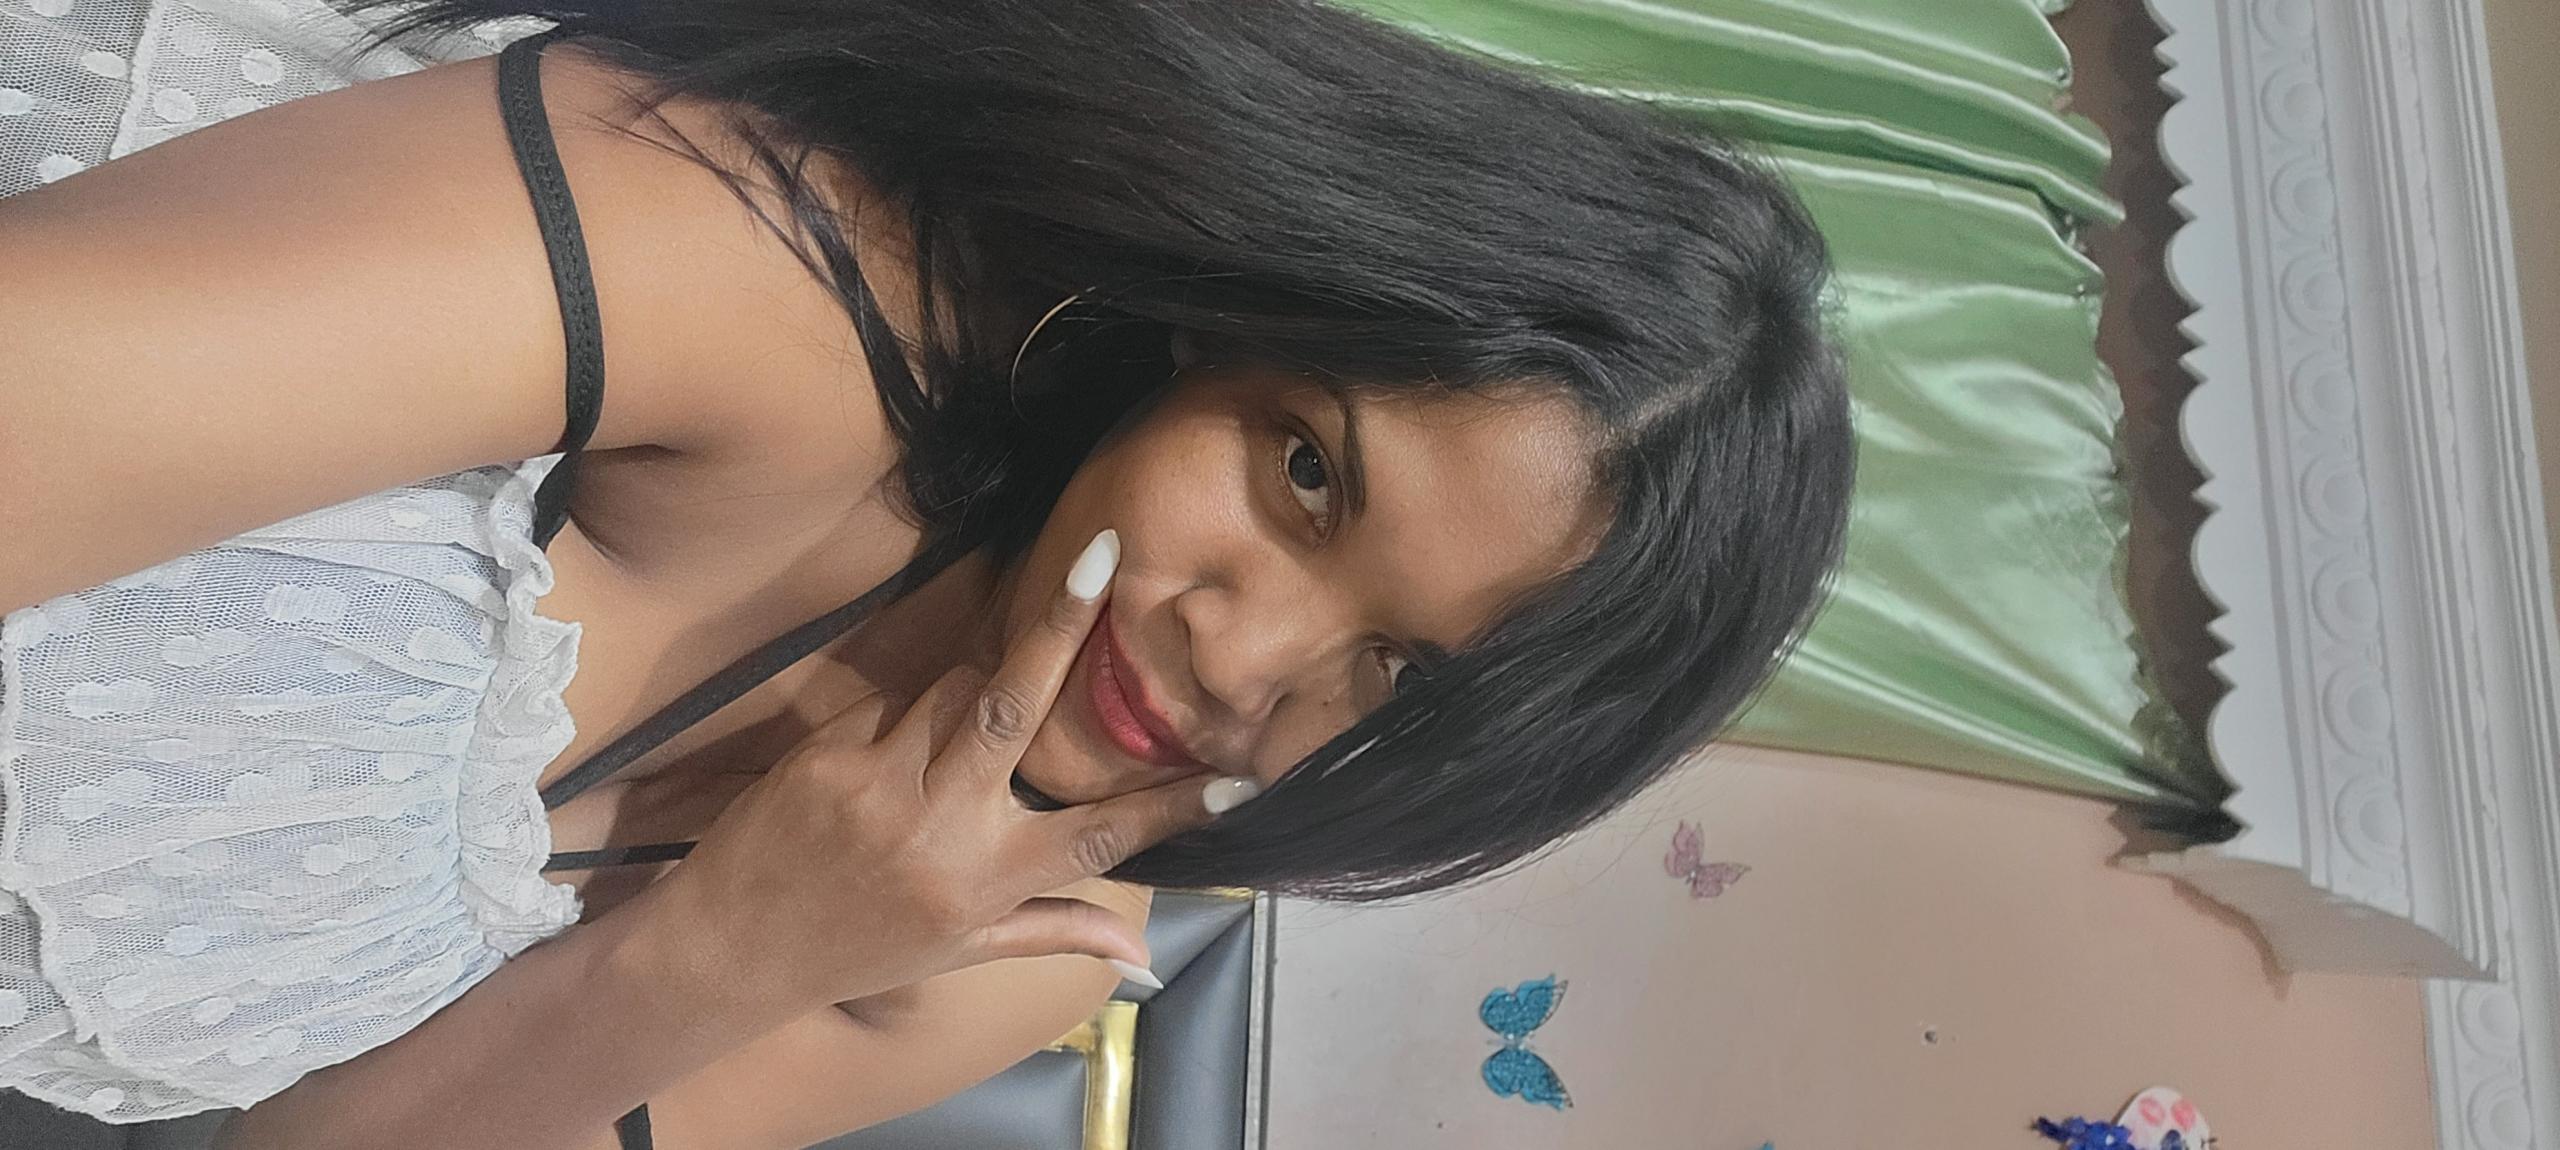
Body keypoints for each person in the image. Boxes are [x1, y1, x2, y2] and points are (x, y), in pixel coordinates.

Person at [0, 0, 1854, 1144]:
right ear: (1240, 315)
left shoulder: (998, 953)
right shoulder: (784, 289)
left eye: (1402, 674)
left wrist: (720, 959)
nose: (1241, 654)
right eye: (1305, 472)